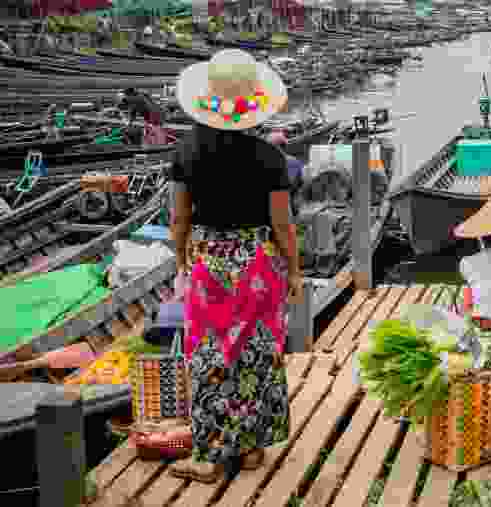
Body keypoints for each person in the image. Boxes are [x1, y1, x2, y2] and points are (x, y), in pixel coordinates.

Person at [167, 49, 299, 482]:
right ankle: (253, 450)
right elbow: (282, 224)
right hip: (258, 264)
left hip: (208, 263)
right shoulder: (269, 157)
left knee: (210, 355)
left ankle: (210, 456)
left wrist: (181, 257)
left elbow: (179, 217)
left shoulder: (187, 152)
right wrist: (294, 270)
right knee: (258, 351)